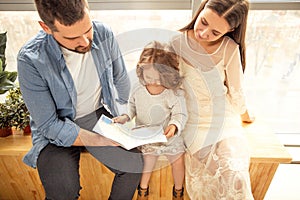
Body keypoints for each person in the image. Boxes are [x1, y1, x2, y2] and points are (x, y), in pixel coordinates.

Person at [17, 0, 143, 199]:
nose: (85, 42)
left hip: (94, 117)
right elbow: (49, 125)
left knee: (133, 165)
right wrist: (100, 140)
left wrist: (127, 119)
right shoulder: (30, 59)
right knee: (63, 190)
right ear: (46, 28)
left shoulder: (103, 33)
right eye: (73, 37)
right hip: (56, 128)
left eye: (88, 29)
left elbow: (120, 81)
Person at [170, 0, 255, 199]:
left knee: (236, 176)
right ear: (201, 9)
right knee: (216, 172)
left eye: (215, 32)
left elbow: (236, 93)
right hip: (192, 123)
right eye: (204, 22)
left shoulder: (229, 48)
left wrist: (246, 115)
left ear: (230, 30)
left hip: (224, 119)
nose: (204, 33)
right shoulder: (175, 43)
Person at [113, 41, 188, 200]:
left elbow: (179, 114)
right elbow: (131, 107)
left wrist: (174, 126)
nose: (152, 82)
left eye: (158, 79)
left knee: (178, 161)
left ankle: (178, 191)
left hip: (169, 137)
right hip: (147, 137)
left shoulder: (172, 92)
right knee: (147, 161)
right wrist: (125, 117)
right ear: (141, 71)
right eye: (148, 77)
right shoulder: (138, 88)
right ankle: (142, 190)